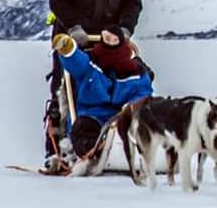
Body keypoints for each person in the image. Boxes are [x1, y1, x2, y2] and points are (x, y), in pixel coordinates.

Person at [43, 0, 143, 172]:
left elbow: (133, 2)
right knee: (62, 90)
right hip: (72, 37)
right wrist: (74, 27)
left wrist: (124, 30)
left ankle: (124, 133)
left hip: (109, 39)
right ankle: (57, 147)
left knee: (115, 81)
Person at [50, 25, 152, 162]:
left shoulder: (135, 71)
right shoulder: (90, 63)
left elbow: (143, 93)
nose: (109, 43)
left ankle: (149, 150)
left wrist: (131, 108)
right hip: (91, 115)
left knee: (144, 122)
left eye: (114, 40)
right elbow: (76, 61)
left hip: (122, 117)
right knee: (83, 129)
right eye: (106, 38)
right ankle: (94, 151)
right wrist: (68, 48)